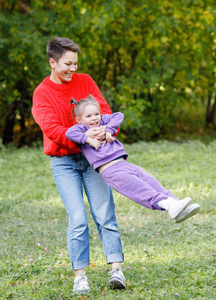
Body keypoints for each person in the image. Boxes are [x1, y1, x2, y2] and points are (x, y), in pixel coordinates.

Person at [31, 37, 125, 293]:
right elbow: (51, 129)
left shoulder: (85, 81)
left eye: (75, 63)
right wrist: (84, 136)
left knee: (105, 214)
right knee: (78, 218)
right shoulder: (42, 93)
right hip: (64, 162)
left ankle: (117, 271)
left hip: (94, 158)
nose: (73, 69)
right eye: (67, 64)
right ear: (52, 62)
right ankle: (80, 276)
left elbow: (103, 111)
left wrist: (106, 132)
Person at [66, 96, 201, 221]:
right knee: (141, 189)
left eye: (96, 114)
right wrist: (88, 139)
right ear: (78, 119)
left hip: (124, 164)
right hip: (111, 171)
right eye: (88, 116)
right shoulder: (80, 129)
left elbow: (119, 115)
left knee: (151, 182)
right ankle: (170, 206)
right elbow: (69, 133)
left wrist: (108, 130)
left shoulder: (103, 123)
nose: (94, 118)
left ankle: (177, 205)